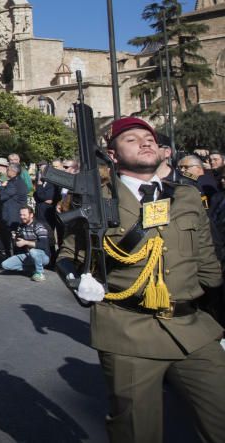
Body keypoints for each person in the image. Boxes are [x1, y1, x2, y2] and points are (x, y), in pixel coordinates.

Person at [58, 117, 225, 442]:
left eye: (149, 138)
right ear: (113, 154)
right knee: (136, 432)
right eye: (132, 139)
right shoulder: (96, 200)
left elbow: (208, 268)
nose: (145, 142)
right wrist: (78, 281)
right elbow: (67, 256)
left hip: (192, 329)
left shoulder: (187, 197)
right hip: (128, 331)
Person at [0, 206, 50, 281]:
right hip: (28, 255)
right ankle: (32, 269)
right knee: (5, 265)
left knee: (33, 251)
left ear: (31, 215)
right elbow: (18, 245)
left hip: (43, 256)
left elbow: (43, 245)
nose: (22, 217)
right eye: (20, 215)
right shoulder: (21, 227)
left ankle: (40, 273)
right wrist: (15, 239)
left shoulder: (39, 226)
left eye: (24, 215)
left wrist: (25, 242)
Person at [0, 163, 28, 257]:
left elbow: (2, 196)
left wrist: (2, 187)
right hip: (14, 213)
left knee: (11, 238)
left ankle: (12, 258)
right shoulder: (18, 181)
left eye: (8, 169)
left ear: (13, 172)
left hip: (12, 215)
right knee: (12, 237)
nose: (6, 171)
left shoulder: (14, 183)